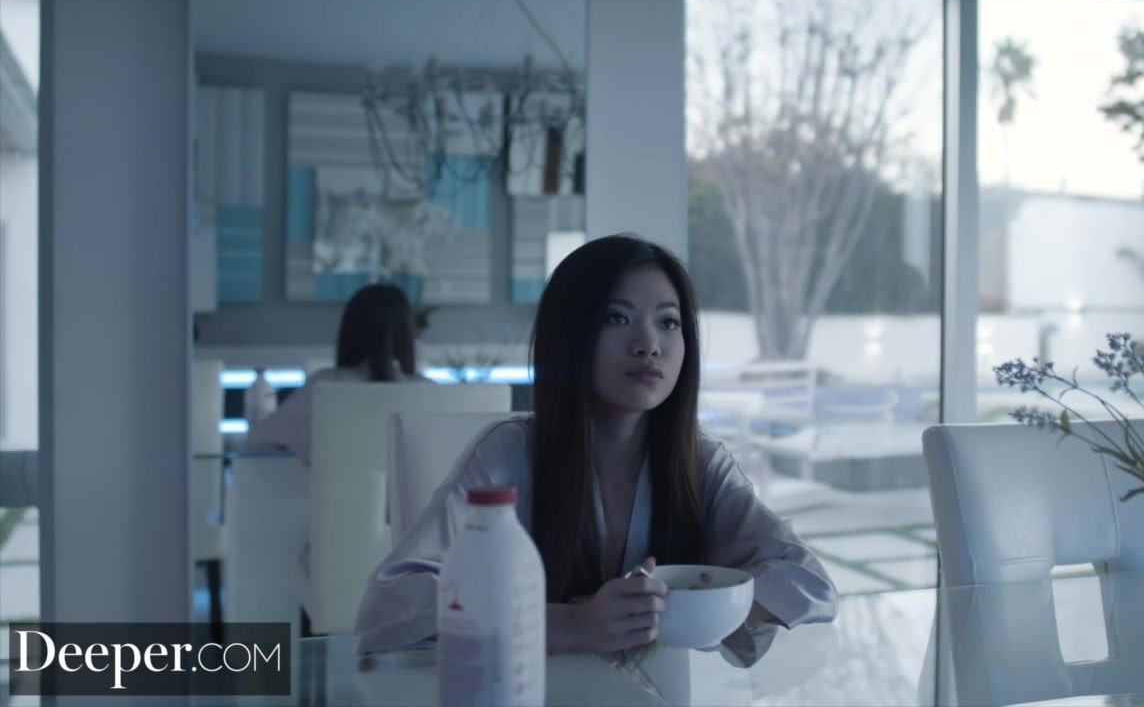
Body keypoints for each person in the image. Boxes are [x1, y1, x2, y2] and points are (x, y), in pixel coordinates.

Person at [354, 235, 837, 666]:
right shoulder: (510, 453)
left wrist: (678, 605)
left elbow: (809, 583)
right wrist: (576, 624)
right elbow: (390, 603)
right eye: (617, 317)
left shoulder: (701, 464)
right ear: (570, 334)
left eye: (668, 322)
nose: (648, 344)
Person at [244, 283, 427, 463]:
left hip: (334, 484)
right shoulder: (428, 391)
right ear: (407, 335)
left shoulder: (323, 386)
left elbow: (257, 441)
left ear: (350, 332)